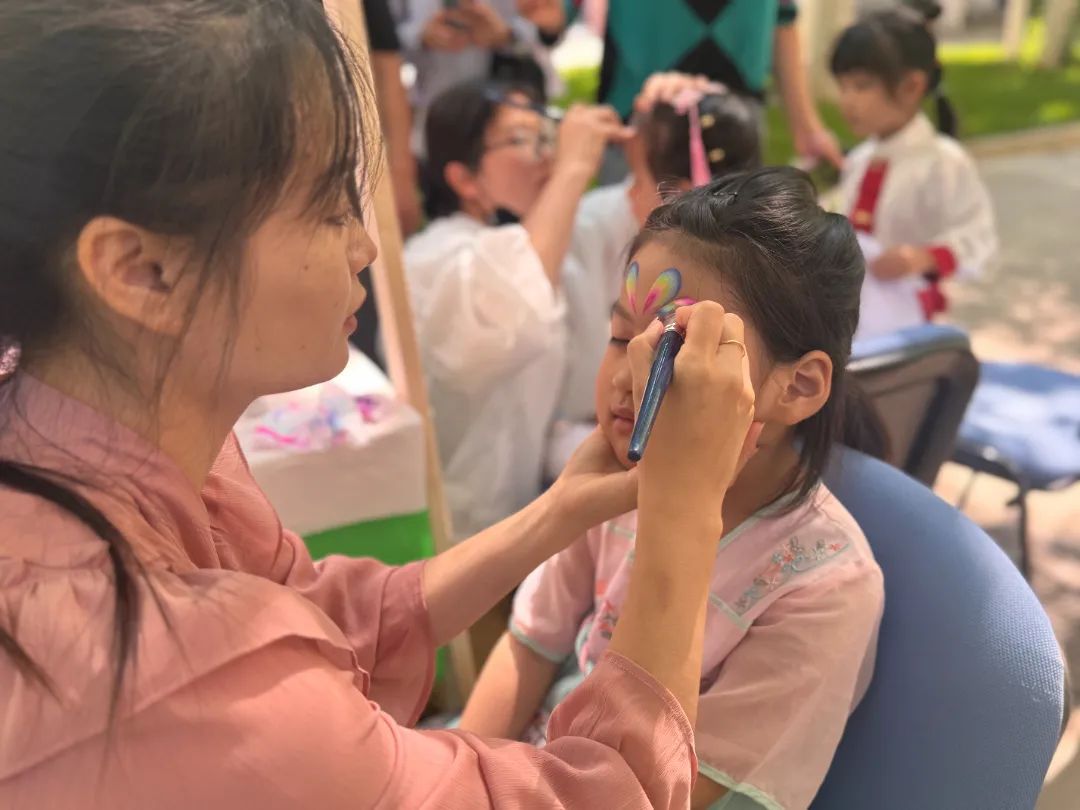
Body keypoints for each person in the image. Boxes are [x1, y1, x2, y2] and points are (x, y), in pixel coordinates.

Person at [0, 2, 766, 807]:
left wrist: (558, 511)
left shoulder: (108, 438)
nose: (365, 245)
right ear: (140, 270)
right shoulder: (164, 675)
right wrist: (685, 507)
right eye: (330, 206)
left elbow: (326, 615)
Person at [459, 168, 885, 810]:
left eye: (673, 354)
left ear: (797, 387)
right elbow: (529, 646)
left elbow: (687, 794)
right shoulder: (617, 482)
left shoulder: (823, 590)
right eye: (619, 338)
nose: (624, 378)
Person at [405, 80, 627, 539]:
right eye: (523, 139)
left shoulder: (543, 245)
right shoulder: (433, 259)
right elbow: (513, 316)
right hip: (453, 527)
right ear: (464, 179)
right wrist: (573, 168)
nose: (547, 156)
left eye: (547, 138)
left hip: (520, 511)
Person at [549, 72, 763, 477]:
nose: (627, 194)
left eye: (639, 182)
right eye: (619, 336)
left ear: (681, 194)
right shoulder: (594, 226)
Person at [830, 1, 997, 340]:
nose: (847, 100)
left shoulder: (944, 162)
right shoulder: (860, 159)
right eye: (843, 86)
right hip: (854, 315)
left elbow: (979, 238)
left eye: (861, 86)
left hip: (911, 324)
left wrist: (921, 258)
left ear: (911, 86)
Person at [573, 0, 843, 182]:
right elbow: (556, 13)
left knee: (730, 242)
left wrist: (807, 126)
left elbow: (782, 16)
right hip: (641, 121)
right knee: (629, 237)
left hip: (736, 124)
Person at [393, 0, 564, 151]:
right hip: (437, 110)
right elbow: (384, 43)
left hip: (517, 106)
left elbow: (550, 25)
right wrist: (420, 36)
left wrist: (507, 35)